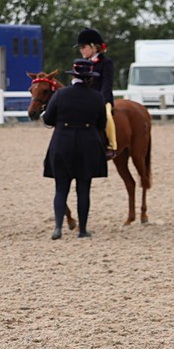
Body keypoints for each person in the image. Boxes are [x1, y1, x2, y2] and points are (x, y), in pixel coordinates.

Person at [42, 59, 108, 239]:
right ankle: (83, 230)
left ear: (73, 75)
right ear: (89, 77)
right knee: (83, 189)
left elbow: (48, 119)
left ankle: (58, 227)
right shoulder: (97, 97)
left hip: (63, 142)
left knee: (61, 189)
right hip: (87, 144)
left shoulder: (60, 94)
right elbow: (102, 124)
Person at [76, 28, 117, 159]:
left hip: (102, 99)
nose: (81, 50)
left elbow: (107, 84)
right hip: (84, 99)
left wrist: (100, 100)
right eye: (80, 48)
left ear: (93, 47)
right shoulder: (81, 63)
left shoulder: (106, 62)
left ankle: (111, 146)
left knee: (107, 116)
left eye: (83, 47)